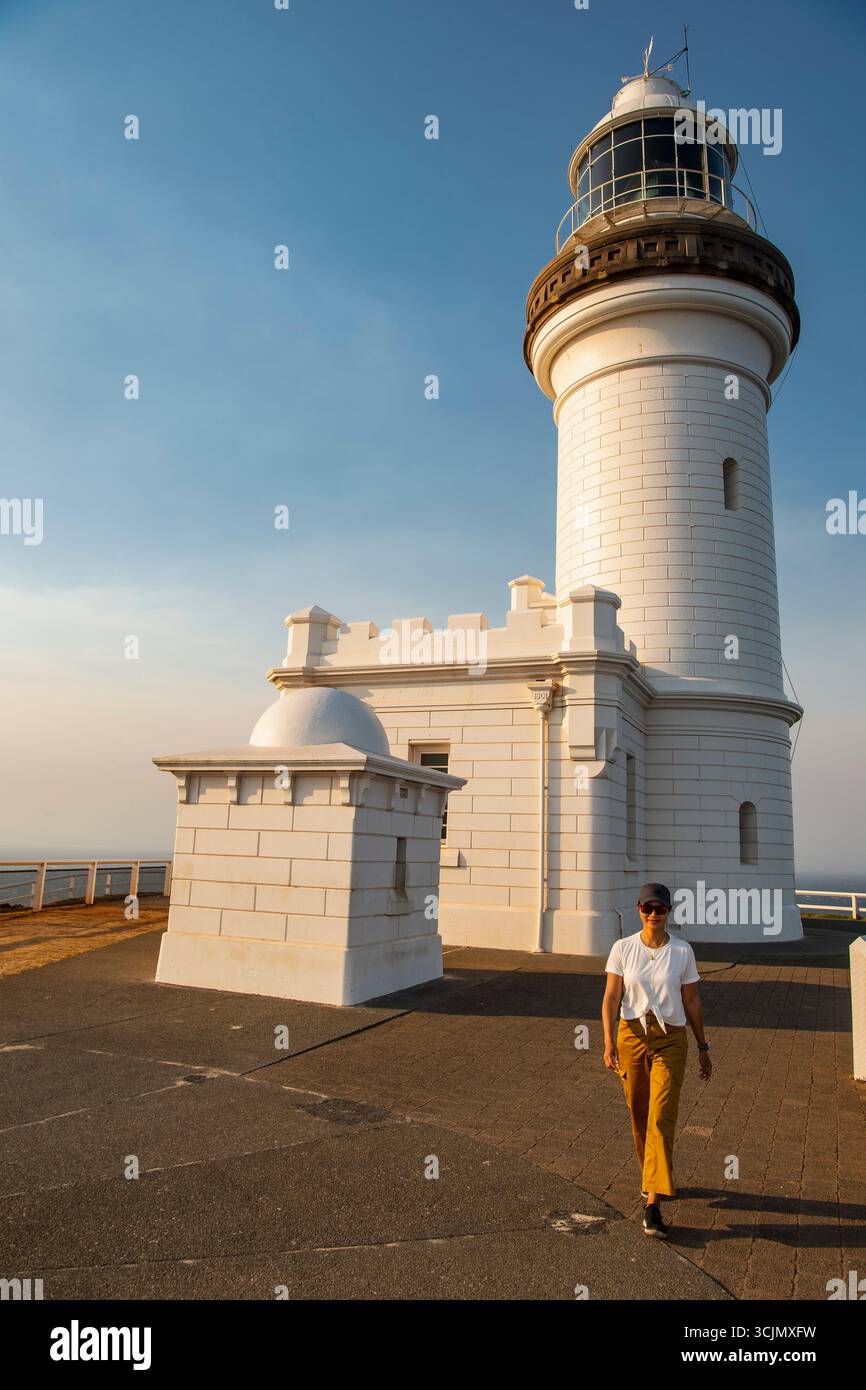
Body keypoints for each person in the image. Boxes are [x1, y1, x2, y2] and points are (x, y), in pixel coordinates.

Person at [601, 882, 711, 1238]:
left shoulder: (682, 951)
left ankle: (652, 1204)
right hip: (631, 1035)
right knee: (638, 1111)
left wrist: (703, 1046)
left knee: (661, 1116)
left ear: (668, 911)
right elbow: (611, 997)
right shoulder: (623, 948)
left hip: (671, 1040)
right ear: (638, 910)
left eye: (659, 909)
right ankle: (652, 1174)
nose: (653, 914)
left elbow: (691, 1001)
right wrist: (607, 1041)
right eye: (647, 908)